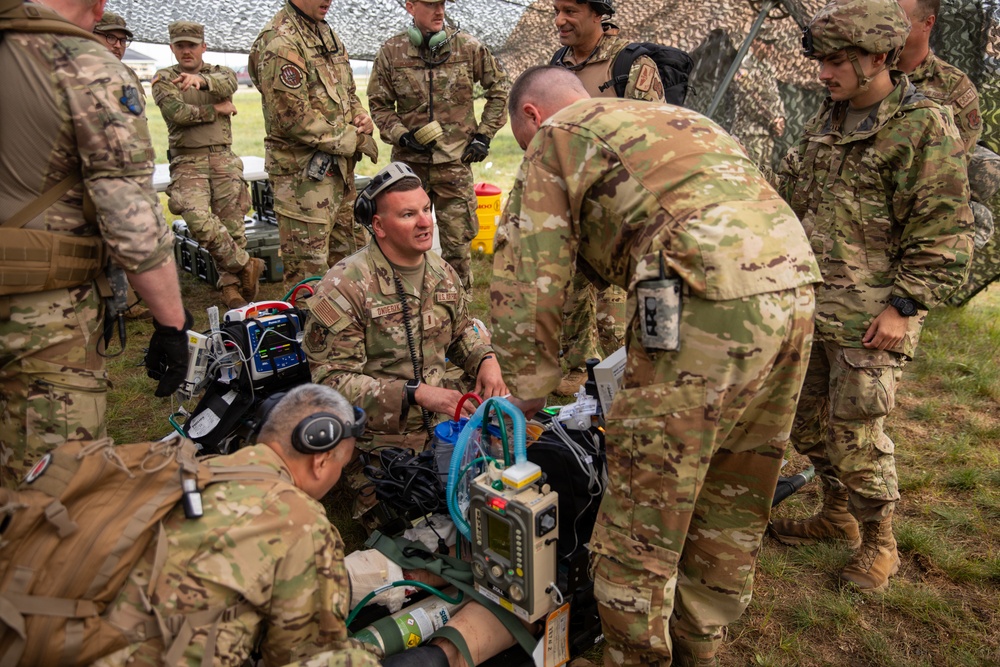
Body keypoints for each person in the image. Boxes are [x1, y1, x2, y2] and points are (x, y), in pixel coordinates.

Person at [492, 65, 821, 666]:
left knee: (642, 513)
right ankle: (703, 643)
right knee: (732, 485)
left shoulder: (556, 137)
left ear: (532, 117)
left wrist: (530, 389)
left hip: (697, 289)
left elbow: (530, 274)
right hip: (794, 280)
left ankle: (633, 656)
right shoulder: (673, 118)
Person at [770, 0, 974, 594]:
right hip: (812, 309)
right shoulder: (825, 122)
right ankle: (836, 516)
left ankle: (880, 543)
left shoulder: (921, 125)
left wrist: (903, 307)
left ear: (879, 59)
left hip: (873, 318)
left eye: (838, 61)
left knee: (857, 437)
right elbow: (794, 203)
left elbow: (944, 231)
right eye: (823, 61)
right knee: (806, 429)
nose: (824, 73)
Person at [0, 0, 189, 489]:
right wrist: (172, 323)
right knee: (55, 489)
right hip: (41, 316)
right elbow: (130, 216)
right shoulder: (81, 63)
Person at [92, 384, 382, 667]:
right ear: (320, 460)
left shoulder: (203, 470)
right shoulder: (303, 524)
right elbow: (299, 652)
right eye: (340, 466)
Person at [302, 162, 506, 516]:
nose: (426, 221)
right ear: (378, 226)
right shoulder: (345, 286)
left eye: (426, 209)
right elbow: (330, 383)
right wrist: (415, 394)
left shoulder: (442, 272)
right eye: (408, 214)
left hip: (444, 420)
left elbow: (460, 332)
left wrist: (486, 359)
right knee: (410, 521)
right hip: (377, 438)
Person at [549, 0, 665, 395]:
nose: (560, 20)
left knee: (614, 299)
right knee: (570, 283)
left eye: (570, 11)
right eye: (556, 10)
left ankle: (625, 369)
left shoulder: (631, 64)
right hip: (571, 198)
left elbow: (655, 135)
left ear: (598, 13)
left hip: (619, 205)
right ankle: (579, 364)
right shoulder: (558, 64)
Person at [367, 0, 509, 291]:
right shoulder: (391, 52)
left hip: (454, 167)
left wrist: (484, 135)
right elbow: (379, 105)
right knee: (400, 245)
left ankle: (460, 317)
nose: (439, 11)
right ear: (410, 6)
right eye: (431, 4)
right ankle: (404, 311)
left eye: (442, 4)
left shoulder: (468, 47)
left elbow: (500, 88)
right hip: (409, 170)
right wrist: (401, 134)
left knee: (457, 249)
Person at [249, 0, 378, 290]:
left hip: (339, 175)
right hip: (302, 183)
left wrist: (360, 116)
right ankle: (310, 334)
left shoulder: (324, 34)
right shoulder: (281, 42)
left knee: (353, 267)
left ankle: (350, 334)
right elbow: (292, 118)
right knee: (310, 279)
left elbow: (347, 93)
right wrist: (353, 139)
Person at [153, 21, 265, 311]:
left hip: (223, 158)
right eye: (180, 45)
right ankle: (245, 264)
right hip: (187, 160)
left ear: (203, 46)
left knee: (232, 225)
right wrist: (216, 108)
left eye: (192, 45)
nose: (186, 50)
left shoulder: (220, 73)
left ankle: (230, 288)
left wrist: (201, 82)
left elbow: (229, 84)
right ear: (172, 48)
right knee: (198, 220)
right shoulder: (164, 78)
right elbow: (177, 113)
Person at [93, 9, 154, 321]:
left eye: (121, 40)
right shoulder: (78, 71)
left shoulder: (126, 74)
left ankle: (119, 304)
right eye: (109, 37)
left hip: (124, 170)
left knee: (121, 237)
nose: (117, 45)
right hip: (95, 169)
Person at [896, 0, 981, 155]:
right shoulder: (868, 70)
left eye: (899, 22)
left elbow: (957, 159)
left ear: (928, 23)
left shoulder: (954, 86)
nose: (888, 29)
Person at [729, 25, 786, 172]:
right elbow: (750, 100)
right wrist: (772, 120)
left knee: (764, 176)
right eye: (766, 43)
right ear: (754, 41)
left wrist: (780, 118)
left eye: (772, 43)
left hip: (766, 135)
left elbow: (775, 96)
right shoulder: (744, 68)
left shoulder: (767, 67)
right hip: (749, 135)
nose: (770, 47)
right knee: (749, 175)